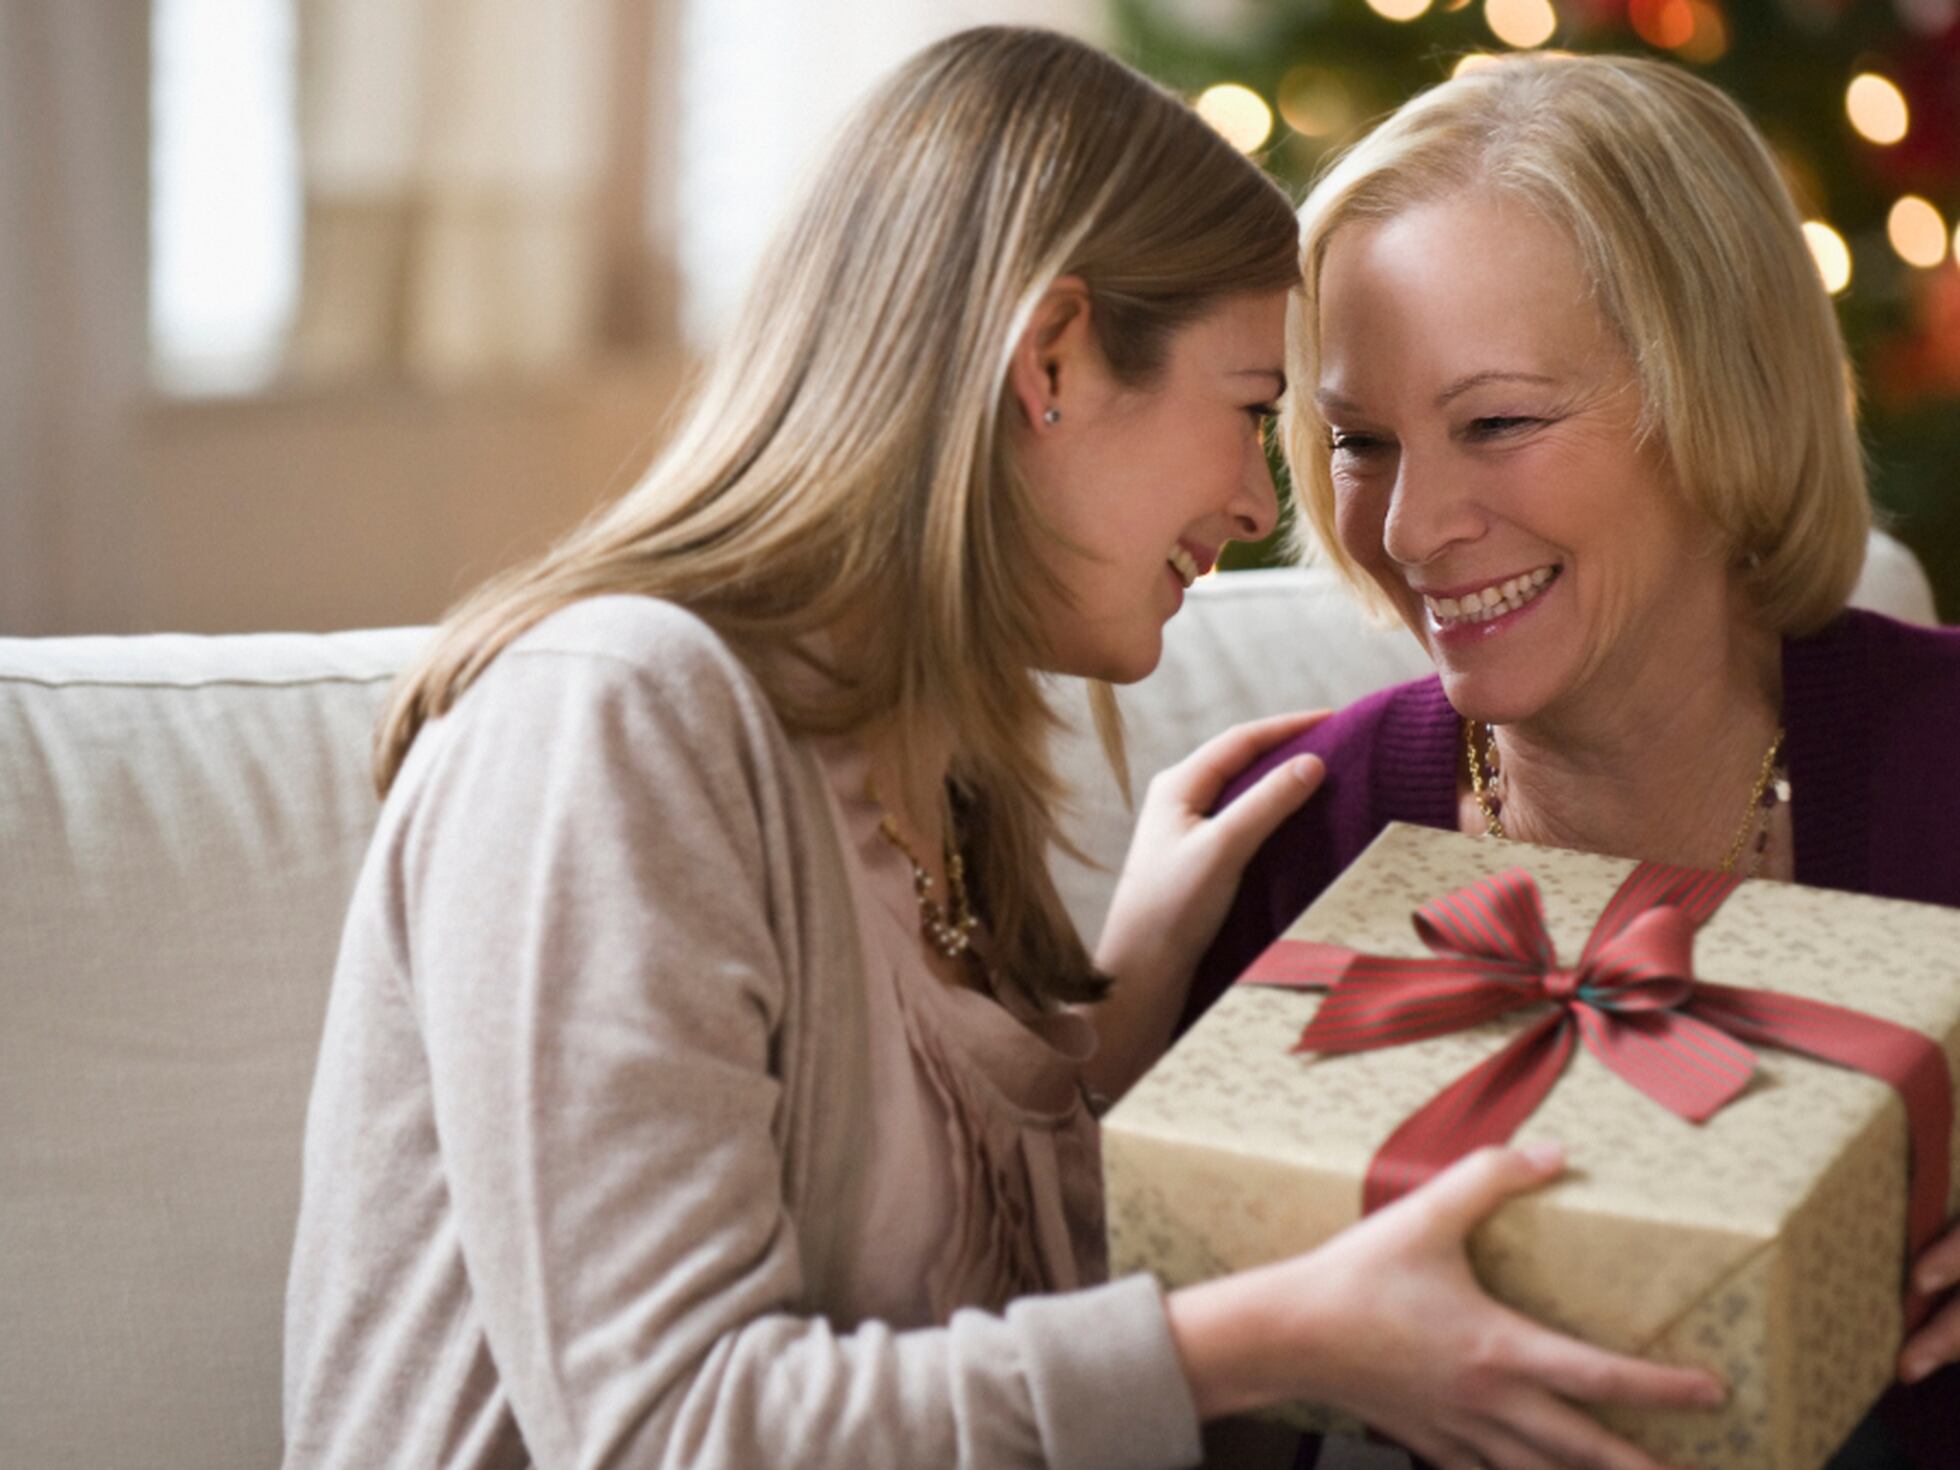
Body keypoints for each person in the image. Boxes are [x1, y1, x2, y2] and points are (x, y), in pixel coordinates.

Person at [282, 28, 1725, 1470]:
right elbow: (671, 1429)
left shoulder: (938, 770)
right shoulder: (615, 717)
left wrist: (1101, 1035)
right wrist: (1279, 1332)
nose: (1250, 502)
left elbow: (982, 1355)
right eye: (1246, 411)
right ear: (1051, 357)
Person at [1184, 51, 1960, 1470]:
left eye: (1497, 423)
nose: (1413, 529)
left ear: (1714, 394)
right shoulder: (1288, 844)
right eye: (1359, 440)